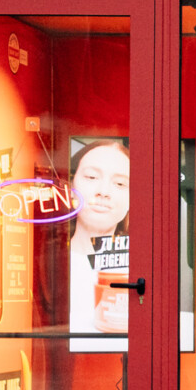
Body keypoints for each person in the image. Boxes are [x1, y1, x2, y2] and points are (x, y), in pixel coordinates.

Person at [68, 139, 131, 347]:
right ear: (70, 186)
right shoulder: (44, 264)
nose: (103, 191)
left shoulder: (145, 269)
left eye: (120, 184)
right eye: (91, 177)